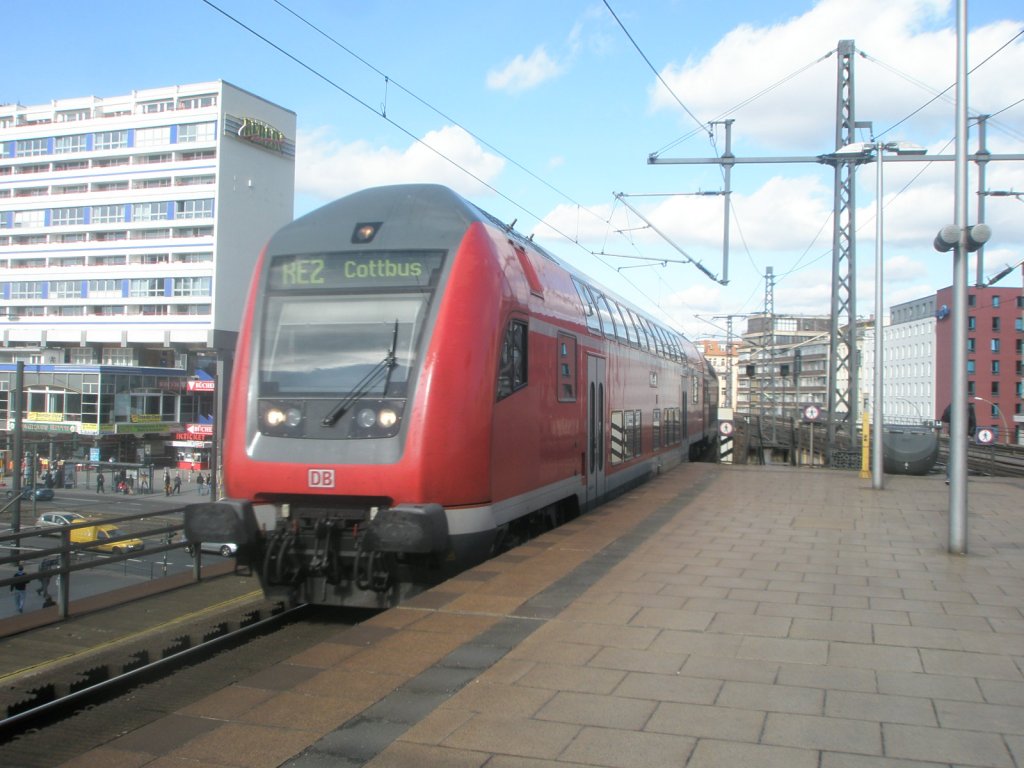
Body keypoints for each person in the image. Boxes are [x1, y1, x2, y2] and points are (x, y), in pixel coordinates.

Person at [940, 401, 976, 484]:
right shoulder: (953, 405)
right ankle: (951, 477)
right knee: (956, 457)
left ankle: (957, 477)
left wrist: (970, 433)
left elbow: (973, 420)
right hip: (955, 435)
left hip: (962, 435)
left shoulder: (968, 406)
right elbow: (945, 418)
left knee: (959, 457)